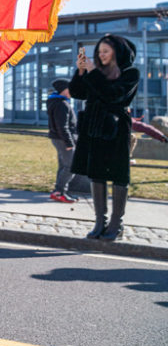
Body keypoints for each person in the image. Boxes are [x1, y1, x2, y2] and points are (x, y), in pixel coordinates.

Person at [70, 34, 139, 241]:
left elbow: (113, 94)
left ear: (117, 53)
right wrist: (81, 71)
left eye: (106, 51)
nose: (101, 55)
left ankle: (116, 224)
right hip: (93, 129)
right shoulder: (95, 72)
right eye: (99, 52)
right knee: (96, 174)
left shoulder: (130, 73)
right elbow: (77, 92)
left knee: (118, 175)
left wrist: (92, 73)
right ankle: (100, 222)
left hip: (116, 129)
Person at [46, 78, 78, 203]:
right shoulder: (62, 104)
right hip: (63, 139)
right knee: (71, 166)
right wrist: (69, 143)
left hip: (59, 138)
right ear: (64, 90)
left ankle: (60, 192)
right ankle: (59, 192)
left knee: (64, 166)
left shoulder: (58, 102)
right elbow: (62, 126)